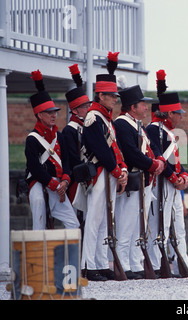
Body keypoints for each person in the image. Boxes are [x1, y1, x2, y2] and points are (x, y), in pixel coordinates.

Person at [81, 52, 128, 281]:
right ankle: (88, 265)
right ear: (100, 95)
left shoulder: (104, 118)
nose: (115, 100)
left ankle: (100, 263)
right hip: (99, 172)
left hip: (108, 172)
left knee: (104, 220)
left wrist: (121, 169)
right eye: (111, 96)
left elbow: (114, 149)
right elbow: (101, 150)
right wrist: (117, 170)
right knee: (94, 220)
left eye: (115, 96)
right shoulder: (93, 118)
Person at [146, 89, 188, 277]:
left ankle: (183, 266)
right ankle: (155, 265)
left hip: (172, 186)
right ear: (170, 113)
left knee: (178, 227)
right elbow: (158, 157)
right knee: (159, 226)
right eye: (178, 113)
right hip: (161, 184)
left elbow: (175, 161)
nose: (180, 117)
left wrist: (183, 176)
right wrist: (174, 178)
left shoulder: (166, 131)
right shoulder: (153, 129)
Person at [113, 84, 165, 279]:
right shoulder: (122, 124)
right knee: (126, 225)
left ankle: (135, 265)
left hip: (143, 180)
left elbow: (151, 147)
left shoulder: (137, 125)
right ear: (133, 107)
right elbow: (131, 154)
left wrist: (158, 161)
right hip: (132, 180)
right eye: (143, 104)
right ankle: (123, 266)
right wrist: (152, 165)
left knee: (138, 227)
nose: (146, 108)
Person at [25, 69, 79, 231]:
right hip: (41, 181)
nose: (54, 116)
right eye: (49, 113)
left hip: (59, 183)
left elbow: (67, 161)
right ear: (40, 115)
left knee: (73, 224)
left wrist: (65, 180)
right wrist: (54, 184)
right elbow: (34, 167)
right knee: (38, 209)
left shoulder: (60, 136)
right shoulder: (32, 139)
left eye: (54, 112)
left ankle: (66, 257)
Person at [62, 64, 92, 222]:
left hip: (90, 175)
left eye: (88, 105)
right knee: (76, 219)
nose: (88, 108)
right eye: (85, 106)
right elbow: (73, 158)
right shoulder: (70, 130)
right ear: (75, 110)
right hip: (78, 178)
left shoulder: (88, 125)